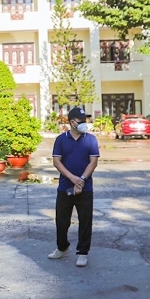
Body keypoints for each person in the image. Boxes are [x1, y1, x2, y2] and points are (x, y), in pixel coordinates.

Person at [48, 106, 100, 267]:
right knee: (62, 220)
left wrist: (82, 179)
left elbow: (94, 161)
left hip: (85, 187)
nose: (84, 124)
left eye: (85, 121)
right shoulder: (61, 139)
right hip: (65, 187)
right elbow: (57, 161)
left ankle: (83, 252)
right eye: (81, 121)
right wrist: (72, 178)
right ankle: (63, 247)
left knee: (85, 221)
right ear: (71, 122)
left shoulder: (91, 139)